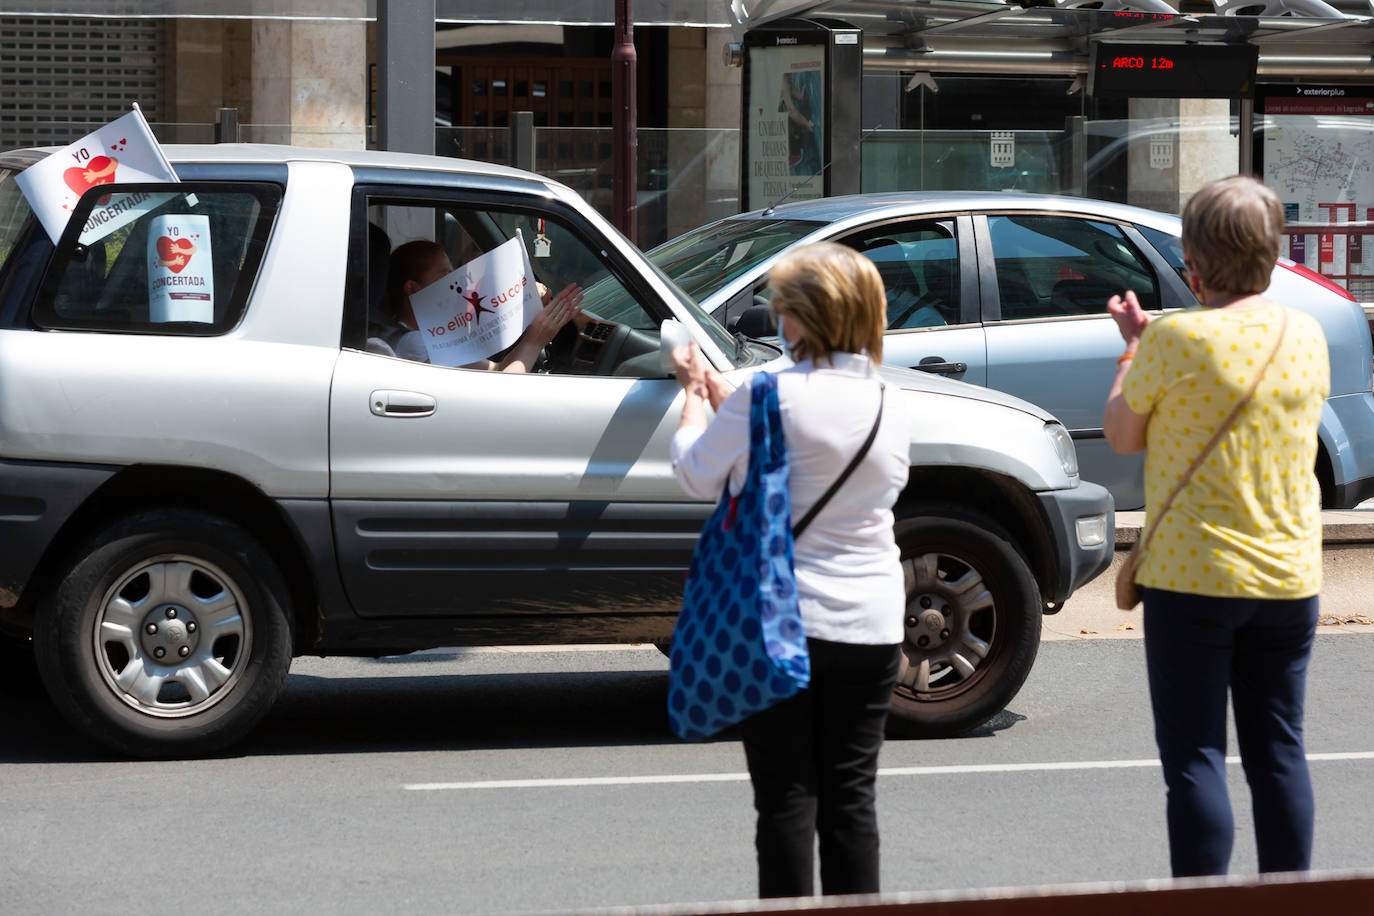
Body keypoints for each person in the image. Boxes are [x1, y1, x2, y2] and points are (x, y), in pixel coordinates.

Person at [1102, 175, 1330, 877]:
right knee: (1279, 753)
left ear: (1193, 260)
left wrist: (1133, 350)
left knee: (1197, 758)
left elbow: (1121, 435)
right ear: (1270, 252)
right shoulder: (1306, 331)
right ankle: (1291, 897)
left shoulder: (1175, 339)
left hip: (1192, 579)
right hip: (1289, 577)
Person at [669, 242, 910, 898]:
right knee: (851, 802)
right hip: (873, 623)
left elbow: (696, 474)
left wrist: (695, 397)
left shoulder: (764, 394)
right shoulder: (890, 401)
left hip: (782, 623)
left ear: (800, 318)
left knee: (785, 801)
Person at [368, 239, 582, 371]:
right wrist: (536, 340)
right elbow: (500, 391)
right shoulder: (415, 343)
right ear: (414, 289)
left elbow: (497, 370)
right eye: (446, 275)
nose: (456, 281)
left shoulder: (420, 337)